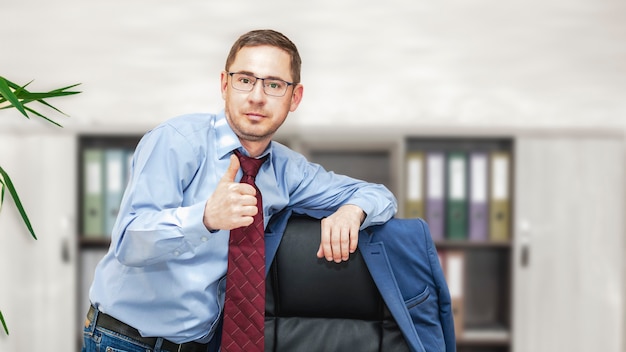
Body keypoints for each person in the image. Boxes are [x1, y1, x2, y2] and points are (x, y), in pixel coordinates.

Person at [82, 29, 397, 352]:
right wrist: (205, 217)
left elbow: (379, 195)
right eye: (245, 80)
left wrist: (351, 210)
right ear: (224, 84)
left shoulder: (289, 170)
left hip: (200, 345)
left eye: (274, 85)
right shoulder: (176, 141)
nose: (257, 96)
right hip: (124, 340)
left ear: (295, 97)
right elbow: (128, 242)